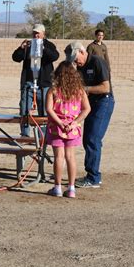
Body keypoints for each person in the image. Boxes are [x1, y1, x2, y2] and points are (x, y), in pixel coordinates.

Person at [64, 41, 115, 188]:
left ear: (82, 51)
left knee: (93, 138)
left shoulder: (98, 62)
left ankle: (93, 177)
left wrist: (85, 89)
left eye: (75, 58)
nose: (75, 62)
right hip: (89, 103)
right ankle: (91, 174)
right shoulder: (79, 67)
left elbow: (106, 87)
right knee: (87, 138)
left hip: (103, 103)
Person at [46, 61, 91, 198]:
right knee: (71, 157)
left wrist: (59, 122)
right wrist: (74, 123)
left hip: (56, 127)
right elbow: (87, 109)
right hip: (73, 128)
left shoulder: (53, 90)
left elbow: (48, 109)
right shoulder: (80, 91)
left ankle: (57, 187)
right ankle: (71, 188)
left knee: (59, 157)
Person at [12, 24, 59, 136]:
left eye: (38, 33)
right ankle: (25, 135)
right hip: (28, 82)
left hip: (44, 84)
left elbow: (55, 56)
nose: (36, 35)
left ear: (43, 33)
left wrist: (44, 48)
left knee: (44, 112)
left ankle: (41, 137)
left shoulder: (49, 45)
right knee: (25, 109)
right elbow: (15, 58)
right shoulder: (28, 45)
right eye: (34, 33)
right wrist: (21, 48)